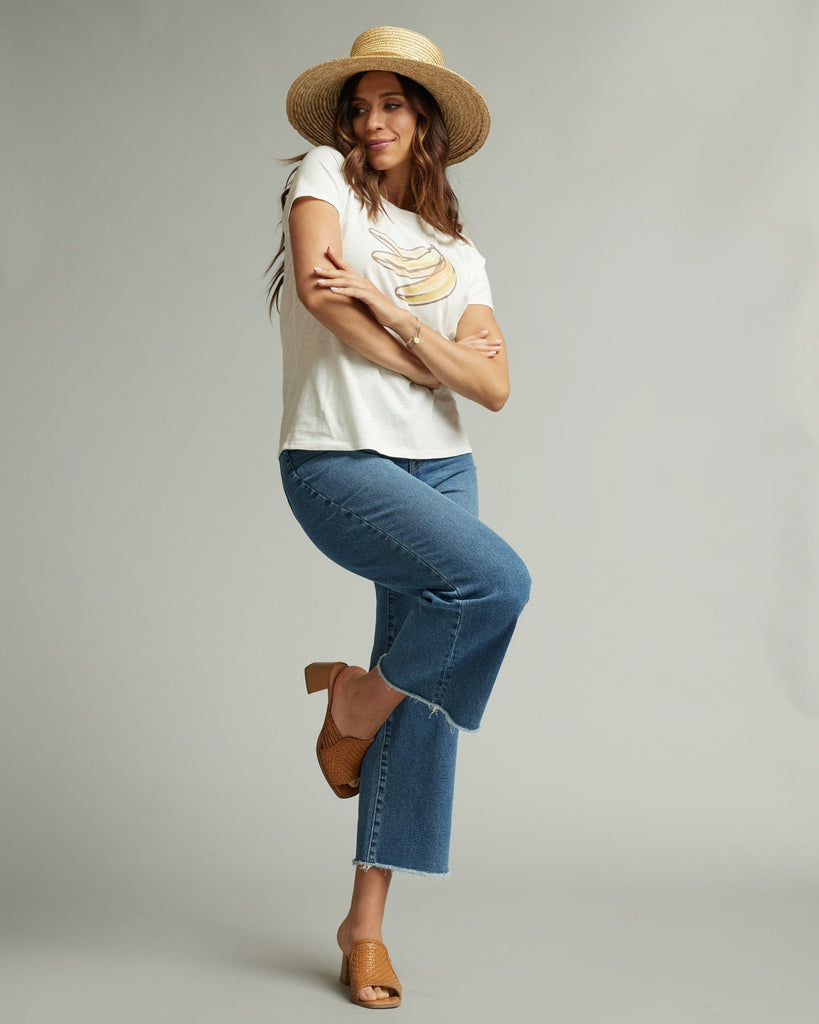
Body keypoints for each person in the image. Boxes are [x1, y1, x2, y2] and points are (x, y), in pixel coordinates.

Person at [267, 26, 531, 1009]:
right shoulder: (322, 175)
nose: (373, 121)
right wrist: (428, 354)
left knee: (425, 686)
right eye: (362, 104)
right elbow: (317, 293)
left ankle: (363, 927)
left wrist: (394, 308)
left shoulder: (459, 253)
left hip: (443, 465)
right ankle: (354, 702)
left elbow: (495, 386)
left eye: (393, 105)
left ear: (424, 122)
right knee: (496, 586)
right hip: (338, 451)